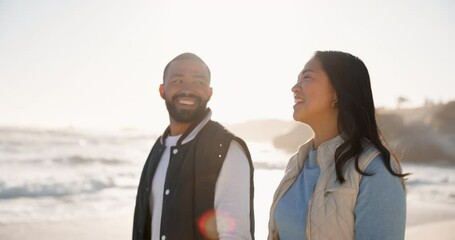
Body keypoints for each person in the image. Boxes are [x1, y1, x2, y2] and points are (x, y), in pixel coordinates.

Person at [268, 51, 408, 240]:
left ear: (337, 91)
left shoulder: (374, 169)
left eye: (307, 77)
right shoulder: (296, 164)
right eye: (297, 79)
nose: (294, 88)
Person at [133, 52, 255, 240]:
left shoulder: (226, 149)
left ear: (209, 92)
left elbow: (235, 235)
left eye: (198, 82)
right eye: (178, 81)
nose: (187, 90)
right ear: (162, 90)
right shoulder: (158, 149)